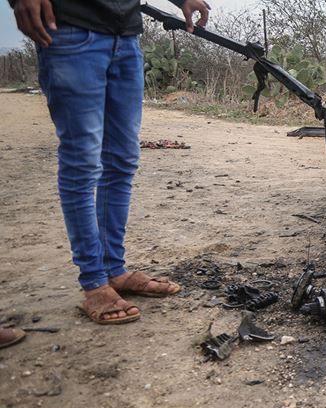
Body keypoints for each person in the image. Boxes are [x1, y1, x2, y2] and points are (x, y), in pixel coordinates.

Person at [9, 0, 209, 323]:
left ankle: (114, 269)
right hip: (69, 28)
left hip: (125, 34)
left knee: (122, 161)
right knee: (83, 162)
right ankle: (94, 282)